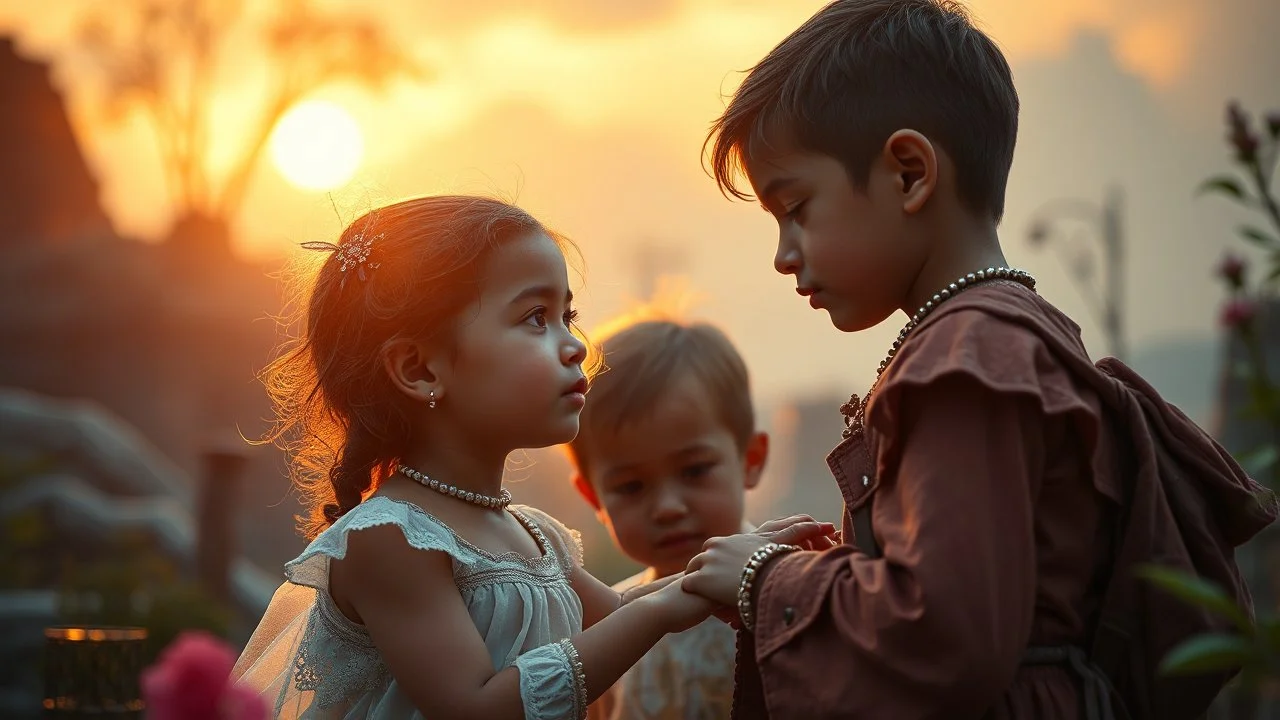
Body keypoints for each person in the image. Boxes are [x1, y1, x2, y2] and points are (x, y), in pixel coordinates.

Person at [679, 1, 1274, 719]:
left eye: (797, 208)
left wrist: (768, 579)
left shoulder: (964, 364)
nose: (783, 255)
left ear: (909, 174)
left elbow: (944, 631)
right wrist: (836, 565)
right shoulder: (1013, 334)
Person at [229, 195, 831, 719]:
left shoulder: (532, 531)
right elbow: (475, 707)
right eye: (536, 317)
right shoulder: (391, 539)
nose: (575, 346)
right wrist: (668, 609)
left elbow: (614, 615)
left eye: (568, 316)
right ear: (419, 368)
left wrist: (734, 562)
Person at [565, 308, 770, 720]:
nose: (668, 508)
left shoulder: (788, 601)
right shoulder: (603, 631)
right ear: (593, 497)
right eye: (631, 486)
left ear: (750, 459)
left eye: (694, 470)